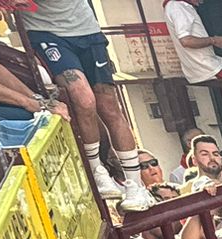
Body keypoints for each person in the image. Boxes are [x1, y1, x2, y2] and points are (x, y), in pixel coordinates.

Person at [17, 0, 154, 208]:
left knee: (109, 105)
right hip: (45, 32)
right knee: (83, 98)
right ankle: (98, 171)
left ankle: (136, 185)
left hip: (86, 29)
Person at [162, 0, 222, 85]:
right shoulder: (178, 8)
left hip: (201, 65)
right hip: (206, 67)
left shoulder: (173, 6)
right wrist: (214, 40)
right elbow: (186, 41)